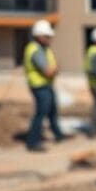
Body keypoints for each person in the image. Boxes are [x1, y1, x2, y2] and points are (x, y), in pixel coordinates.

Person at [23, 19, 67, 152]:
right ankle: (33, 142)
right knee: (40, 114)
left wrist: (54, 69)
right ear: (39, 35)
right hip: (40, 86)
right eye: (47, 36)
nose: (50, 39)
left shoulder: (42, 49)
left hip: (46, 85)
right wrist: (56, 68)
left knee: (52, 112)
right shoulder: (35, 50)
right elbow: (48, 71)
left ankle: (58, 135)